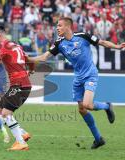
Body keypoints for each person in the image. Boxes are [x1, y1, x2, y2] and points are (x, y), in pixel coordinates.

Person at [28, 17, 125, 149]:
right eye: (57, 26)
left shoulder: (83, 36)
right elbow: (45, 57)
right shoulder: (59, 43)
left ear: (68, 27)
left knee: (88, 105)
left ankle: (107, 106)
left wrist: (117, 46)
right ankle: (98, 139)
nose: (57, 28)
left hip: (90, 74)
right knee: (82, 109)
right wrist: (28, 58)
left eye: (60, 25)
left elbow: (102, 42)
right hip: (78, 77)